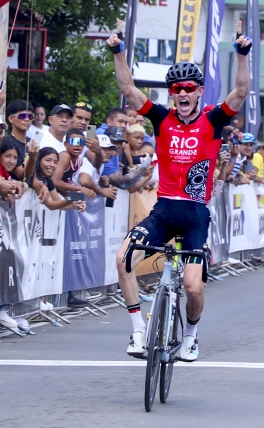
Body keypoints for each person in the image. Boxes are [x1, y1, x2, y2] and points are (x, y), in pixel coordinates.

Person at [108, 18, 251, 361]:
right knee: (122, 259)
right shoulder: (160, 118)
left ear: (199, 91)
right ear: (171, 95)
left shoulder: (214, 119)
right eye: (177, 90)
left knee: (193, 286)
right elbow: (129, 89)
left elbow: (242, 91)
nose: (183, 94)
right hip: (163, 210)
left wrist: (242, 54)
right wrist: (118, 51)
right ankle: (139, 333)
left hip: (195, 215)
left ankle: (190, 335)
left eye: (189, 88)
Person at [1, 99, 39, 182]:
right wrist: (32, 159)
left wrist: (41, 186)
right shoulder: (6, 142)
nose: (27, 119)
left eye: (30, 116)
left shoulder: (32, 142)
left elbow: (34, 175)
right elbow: (22, 177)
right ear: (11, 119)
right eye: (22, 116)